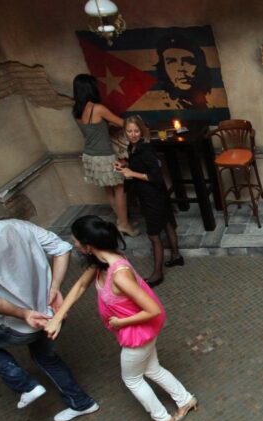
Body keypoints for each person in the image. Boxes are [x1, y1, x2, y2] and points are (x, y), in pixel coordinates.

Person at [0, 187, 99, 421]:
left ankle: (25, 385)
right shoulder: (18, 225)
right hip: (50, 314)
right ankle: (81, 402)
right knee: (45, 357)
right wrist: (54, 287)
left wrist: (25, 313)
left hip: (21, 324)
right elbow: (62, 249)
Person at [45, 215, 196, 421]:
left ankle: (162, 418)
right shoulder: (101, 263)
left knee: (132, 379)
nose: (74, 244)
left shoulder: (119, 274)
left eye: (76, 240)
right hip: (139, 331)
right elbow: (79, 286)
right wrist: (57, 318)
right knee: (152, 368)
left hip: (137, 333)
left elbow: (153, 309)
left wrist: (120, 322)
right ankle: (185, 400)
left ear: (88, 246)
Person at [113, 115, 183, 287]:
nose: (133, 134)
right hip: (155, 194)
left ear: (142, 131)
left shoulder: (145, 149)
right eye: (129, 131)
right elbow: (140, 166)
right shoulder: (134, 147)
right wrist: (124, 167)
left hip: (152, 196)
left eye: (136, 131)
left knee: (153, 235)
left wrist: (131, 173)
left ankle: (157, 274)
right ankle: (176, 256)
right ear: (125, 132)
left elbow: (155, 176)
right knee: (167, 223)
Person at [72, 74, 138, 237]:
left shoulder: (76, 111)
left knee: (109, 191)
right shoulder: (97, 108)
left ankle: (122, 220)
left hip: (90, 156)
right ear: (90, 89)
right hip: (104, 156)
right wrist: (140, 125)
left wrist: (105, 125)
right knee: (120, 189)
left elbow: (92, 131)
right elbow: (123, 124)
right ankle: (124, 224)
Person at [154, 34, 212, 110]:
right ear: (163, 68)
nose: (181, 68)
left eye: (188, 61)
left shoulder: (211, 105)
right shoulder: (160, 105)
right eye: (172, 62)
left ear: (200, 65)